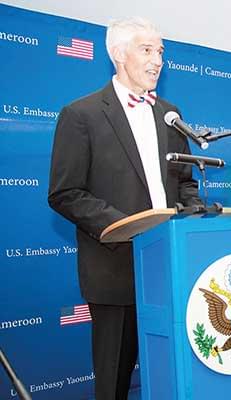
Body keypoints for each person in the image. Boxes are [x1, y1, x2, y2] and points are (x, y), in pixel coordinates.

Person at [47, 17, 201, 399]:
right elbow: (65, 192)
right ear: (118, 54)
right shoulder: (80, 114)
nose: (157, 61)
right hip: (115, 267)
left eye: (161, 52)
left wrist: (195, 210)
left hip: (170, 266)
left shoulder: (170, 113)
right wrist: (128, 226)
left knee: (175, 370)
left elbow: (184, 180)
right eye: (147, 50)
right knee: (114, 379)